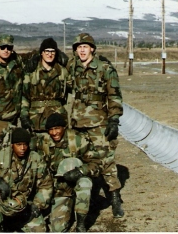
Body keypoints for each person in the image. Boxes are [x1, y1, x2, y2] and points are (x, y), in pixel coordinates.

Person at [66, 32, 125, 218]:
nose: (82, 50)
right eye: (78, 47)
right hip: (77, 122)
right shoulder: (71, 66)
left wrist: (114, 119)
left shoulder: (104, 67)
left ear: (92, 48)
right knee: (81, 160)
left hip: (99, 122)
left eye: (85, 47)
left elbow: (114, 95)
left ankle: (115, 197)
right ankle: (87, 198)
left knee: (105, 160)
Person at [0, 128, 53, 232]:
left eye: (25, 144)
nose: (23, 148)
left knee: (39, 229)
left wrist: (36, 205)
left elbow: (46, 185)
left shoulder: (36, 159)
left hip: (22, 205)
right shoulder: (1, 156)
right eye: (19, 144)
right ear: (12, 145)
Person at [37, 113, 102, 232]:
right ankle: (68, 207)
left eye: (57, 128)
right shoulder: (43, 142)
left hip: (78, 181)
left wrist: (80, 171)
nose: (54, 133)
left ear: (64, 127)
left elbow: (96, 163)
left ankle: (81, 223)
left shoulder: (78, 139)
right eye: (50, 130)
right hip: (59, 188)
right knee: (57, 229)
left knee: (85, 183)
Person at [20, 38, 69, 150]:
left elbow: (70, 94)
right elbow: (25, 96)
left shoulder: (62, 71)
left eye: (53, 51)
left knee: (57, 150)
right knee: (35, 150)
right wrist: (24, 116)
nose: (49, 54)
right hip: (36, 118)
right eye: (47, 51)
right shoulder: (31, 71)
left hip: (56, 117)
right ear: (41, 53)